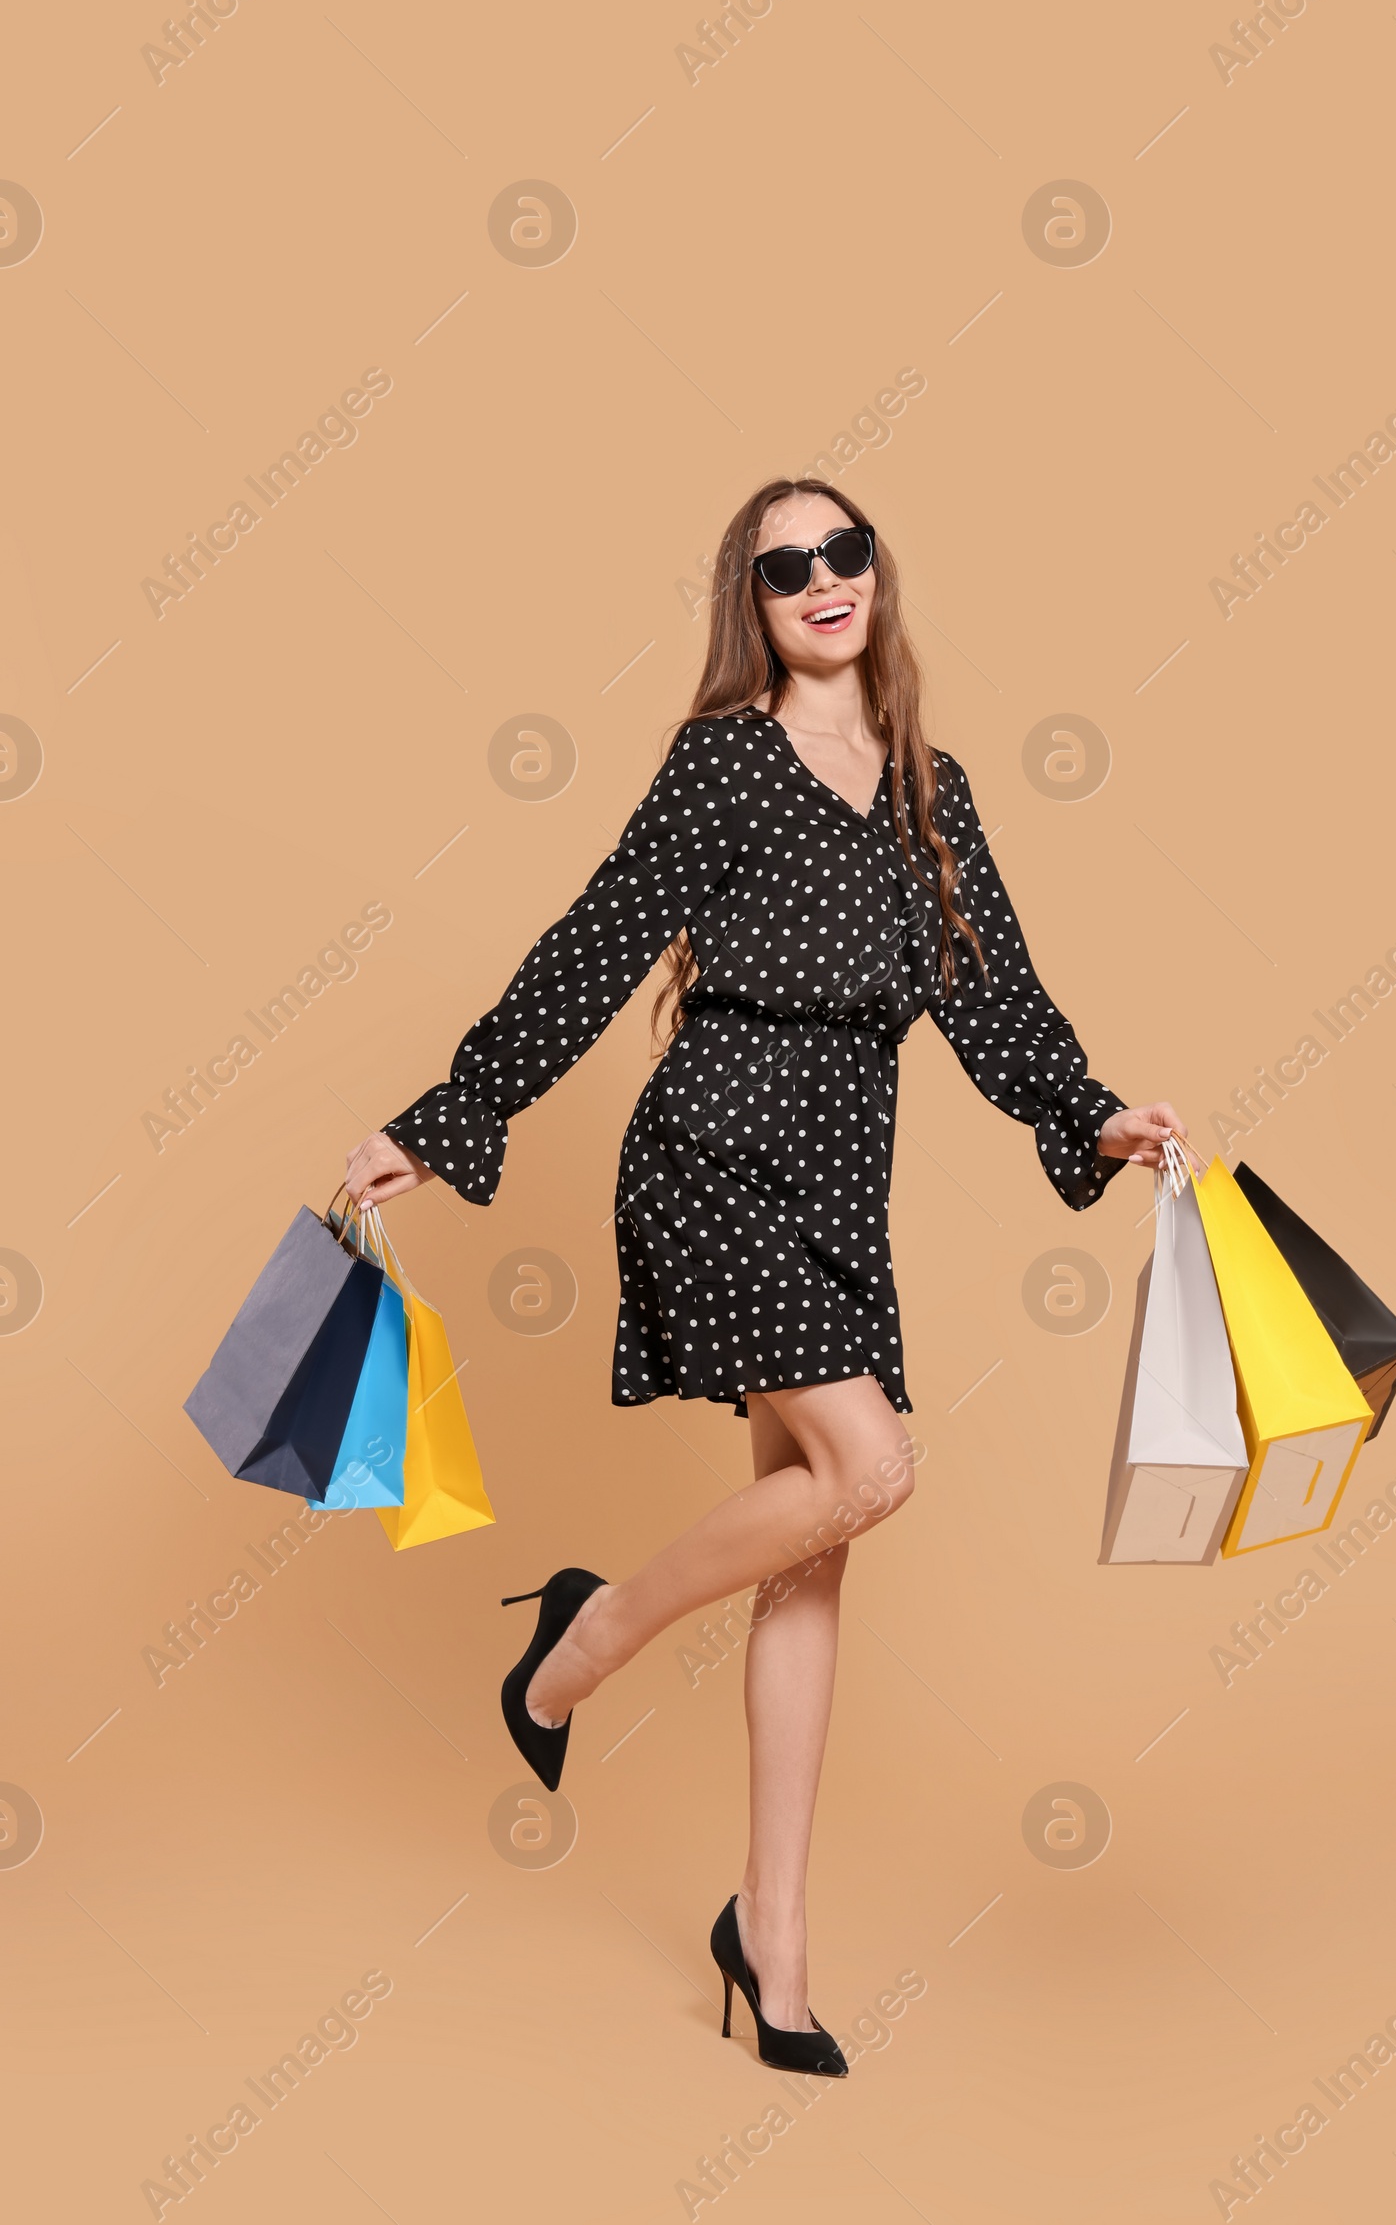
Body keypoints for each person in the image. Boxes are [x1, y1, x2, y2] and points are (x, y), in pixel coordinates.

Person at [343, 477, 1185, 2073]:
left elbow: (993, 996)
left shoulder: (934, 792)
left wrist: (1092, 1112)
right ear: (754, 599)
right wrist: (450, 1114)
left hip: (837, 1186)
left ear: (878, 571)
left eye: (842, 551)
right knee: (874, 1468)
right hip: (711, 1157)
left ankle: (771, 1939)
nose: (821, 581)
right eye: (783, 564)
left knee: (816, 1550)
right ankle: (582, 1642)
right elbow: (597, 941)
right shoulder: (724, 761)